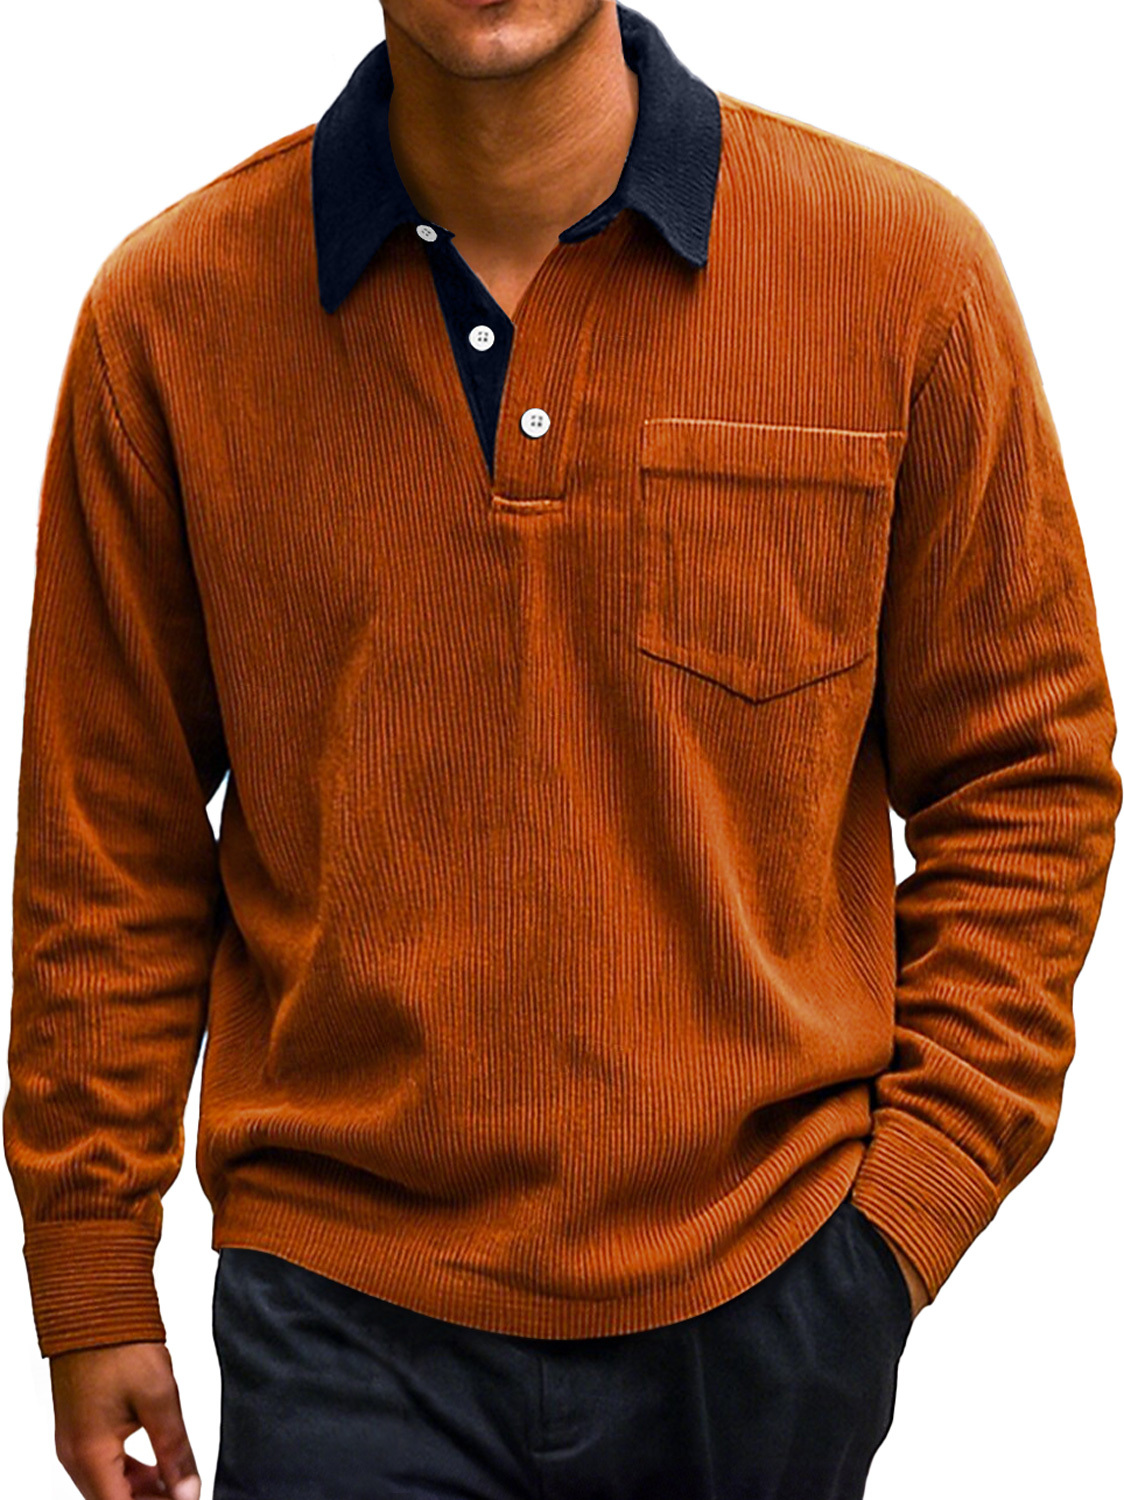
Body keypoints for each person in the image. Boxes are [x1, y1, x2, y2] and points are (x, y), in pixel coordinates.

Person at [5, 1, 1119, 1497]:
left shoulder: (899, 272)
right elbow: (108, 828)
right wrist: (88, 1260)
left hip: (765, 1287)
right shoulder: (171, 316)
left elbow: (1030, 774)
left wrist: (904, 1214)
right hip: (339, 1297)